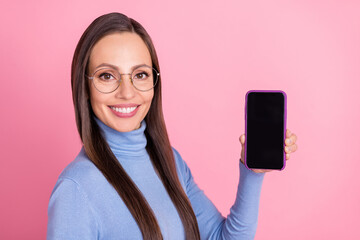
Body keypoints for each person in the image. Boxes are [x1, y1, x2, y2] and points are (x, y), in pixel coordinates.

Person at [46, 12, 298, 240]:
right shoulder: (75, 190)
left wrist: (252, 173)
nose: (126, 92)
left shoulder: (170, 161)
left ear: (154, 82)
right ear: (85, 88)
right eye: (107, 75)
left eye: (140, 74)